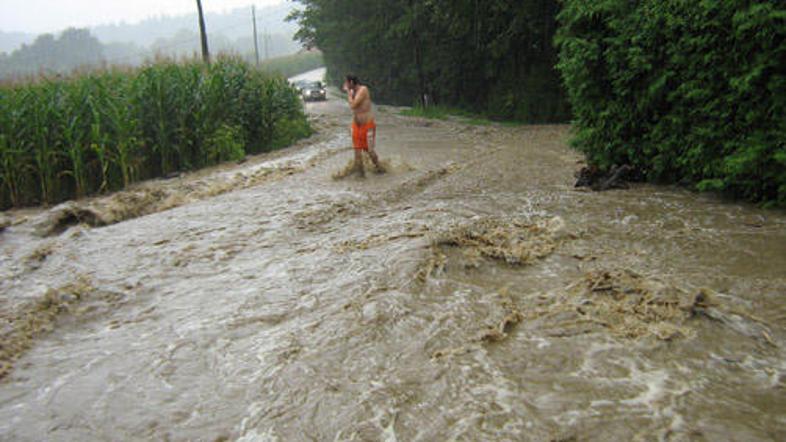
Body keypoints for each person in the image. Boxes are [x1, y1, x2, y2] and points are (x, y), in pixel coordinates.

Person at [342, 74, 384, 176]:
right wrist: (350, 92)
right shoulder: (353, 92)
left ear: (351, 83)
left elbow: (353, 105)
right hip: (356, 125)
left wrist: (348, 92)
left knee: (369, 151)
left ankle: (379, 168)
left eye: (346, 82)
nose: (345, 85)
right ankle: (360, 174)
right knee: (357, 151)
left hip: (367, 125)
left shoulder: (363, 90)